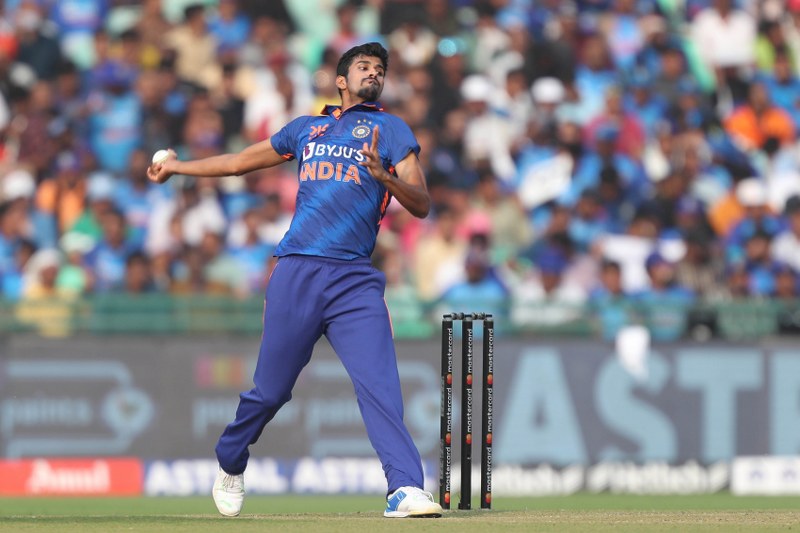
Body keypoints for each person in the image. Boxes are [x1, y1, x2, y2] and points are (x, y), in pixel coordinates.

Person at [146, 42, 442, 519]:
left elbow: (422, 203)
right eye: (364, 67)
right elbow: (239, 161)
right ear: (341, 80)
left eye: (380, 69)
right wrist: (178, 167)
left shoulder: (391, 129)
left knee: (380, 386)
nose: (374, 73)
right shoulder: (307, 128)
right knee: (270, 390)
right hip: (298, 271)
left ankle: (404, 488)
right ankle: (230, 458)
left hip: (355, 281)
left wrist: (384, 178)